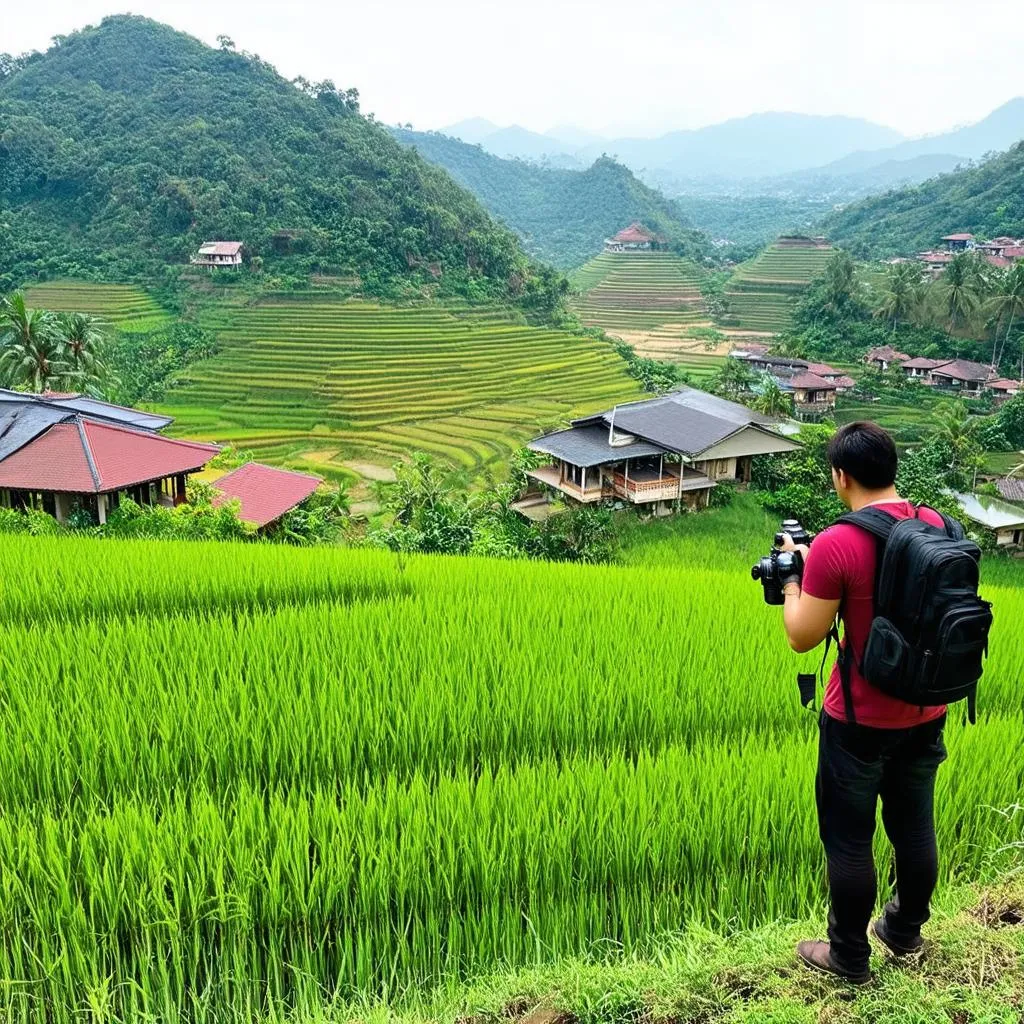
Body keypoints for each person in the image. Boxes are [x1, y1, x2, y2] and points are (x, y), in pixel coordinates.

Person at [778, 421, 949, 985]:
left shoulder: (837, 543)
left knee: (849, 837)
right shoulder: (939, 524)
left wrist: (791, 582)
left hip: (858, 719)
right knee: (914, 825)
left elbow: (803, 635)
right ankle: (904, 930)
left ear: (840, 476)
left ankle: (848, 956)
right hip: (928, 709)